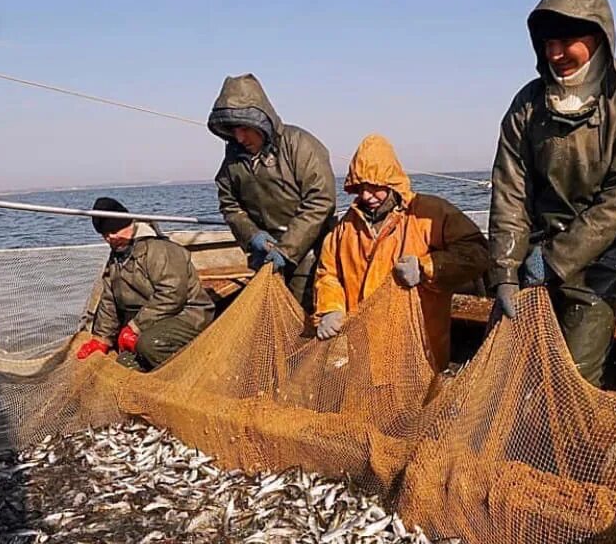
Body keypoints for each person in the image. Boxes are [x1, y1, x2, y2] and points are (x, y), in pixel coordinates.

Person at [488, 0, 616, 386]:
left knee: (571, 381)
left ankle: (565, 451)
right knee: (507, 375)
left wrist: (554, 261)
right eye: (547, 43)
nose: (556, 53)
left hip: (601, 264)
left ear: (598, 37)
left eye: (566, 41)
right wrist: (505, 272)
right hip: (534, 257)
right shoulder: (527, 104)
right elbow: (510, 192)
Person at [311, 134, 489, 371]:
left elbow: (477, 253)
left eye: (375, 187)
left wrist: (428, 267)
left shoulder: (430, 212)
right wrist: (330, 308)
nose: (366, 196)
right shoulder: (345, 227)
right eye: (361, 188)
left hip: (418, 350)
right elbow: (328, 273)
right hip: (362, 349)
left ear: (391, 183)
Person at [208, 73, 337, 312]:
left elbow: (321, 200)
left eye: (245, 128)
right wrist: (252, 236)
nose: (239, 137)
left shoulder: (300, 144)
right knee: (271, 315)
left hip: (311, 252)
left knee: (305, 316)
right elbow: (229, 204)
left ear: (261, 121)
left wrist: (287, 250)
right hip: (264, 255)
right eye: (233, 129)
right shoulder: (232, 161)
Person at [77, 198, 215, 370]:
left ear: (130, 223)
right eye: (105, 234)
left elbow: (172, 295)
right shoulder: (116, 257)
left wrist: (135, 327)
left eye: (115, 230)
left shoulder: (159, 249)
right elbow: (109, 300)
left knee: (149, 344)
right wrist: (101, 339)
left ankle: (195, 373)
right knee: (124, 365)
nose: (111, 237)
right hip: (154, 320)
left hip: (188, 314)